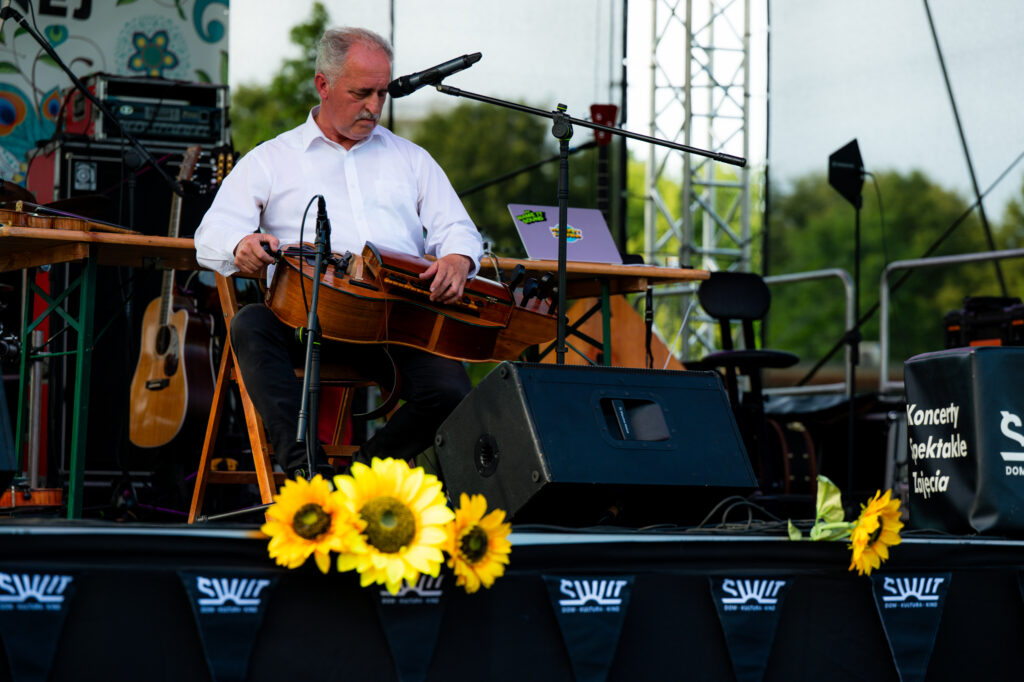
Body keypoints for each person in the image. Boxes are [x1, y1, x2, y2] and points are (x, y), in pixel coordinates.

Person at [194, 27, 483, 480]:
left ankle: (355, 481)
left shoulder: (411, 159)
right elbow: (211, 232)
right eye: (360, 92)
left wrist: (458, 259)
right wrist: (240, 245)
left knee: (450, 392)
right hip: (304, 321)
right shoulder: (272, 158)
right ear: (323, 86)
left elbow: (458, 229)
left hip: (392, 323)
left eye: (382, 93)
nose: (373, 106)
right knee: (250, 325)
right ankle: (305, 470)